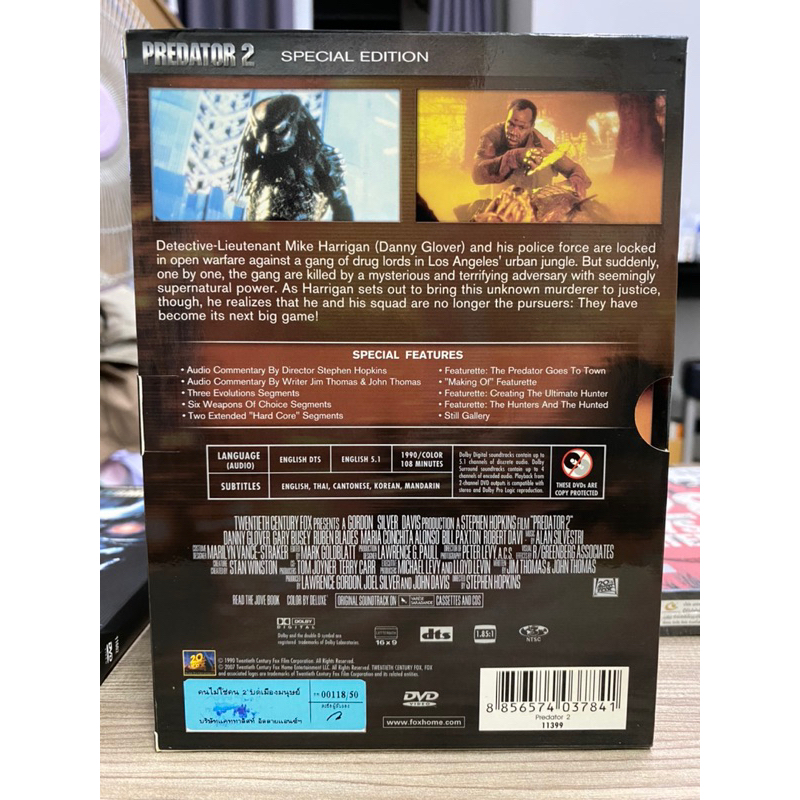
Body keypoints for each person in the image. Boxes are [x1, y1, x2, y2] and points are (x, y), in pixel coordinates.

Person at [472, 99, 591, 198]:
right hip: (500, 205)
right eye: (511, 124)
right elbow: (476, 175)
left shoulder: (543, 144)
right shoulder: (493, 135)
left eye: (521, 127)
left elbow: (574, 168)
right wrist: (512, 157)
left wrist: (577, 179)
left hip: (537, 205)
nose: (513, 132)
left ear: (531, 128)